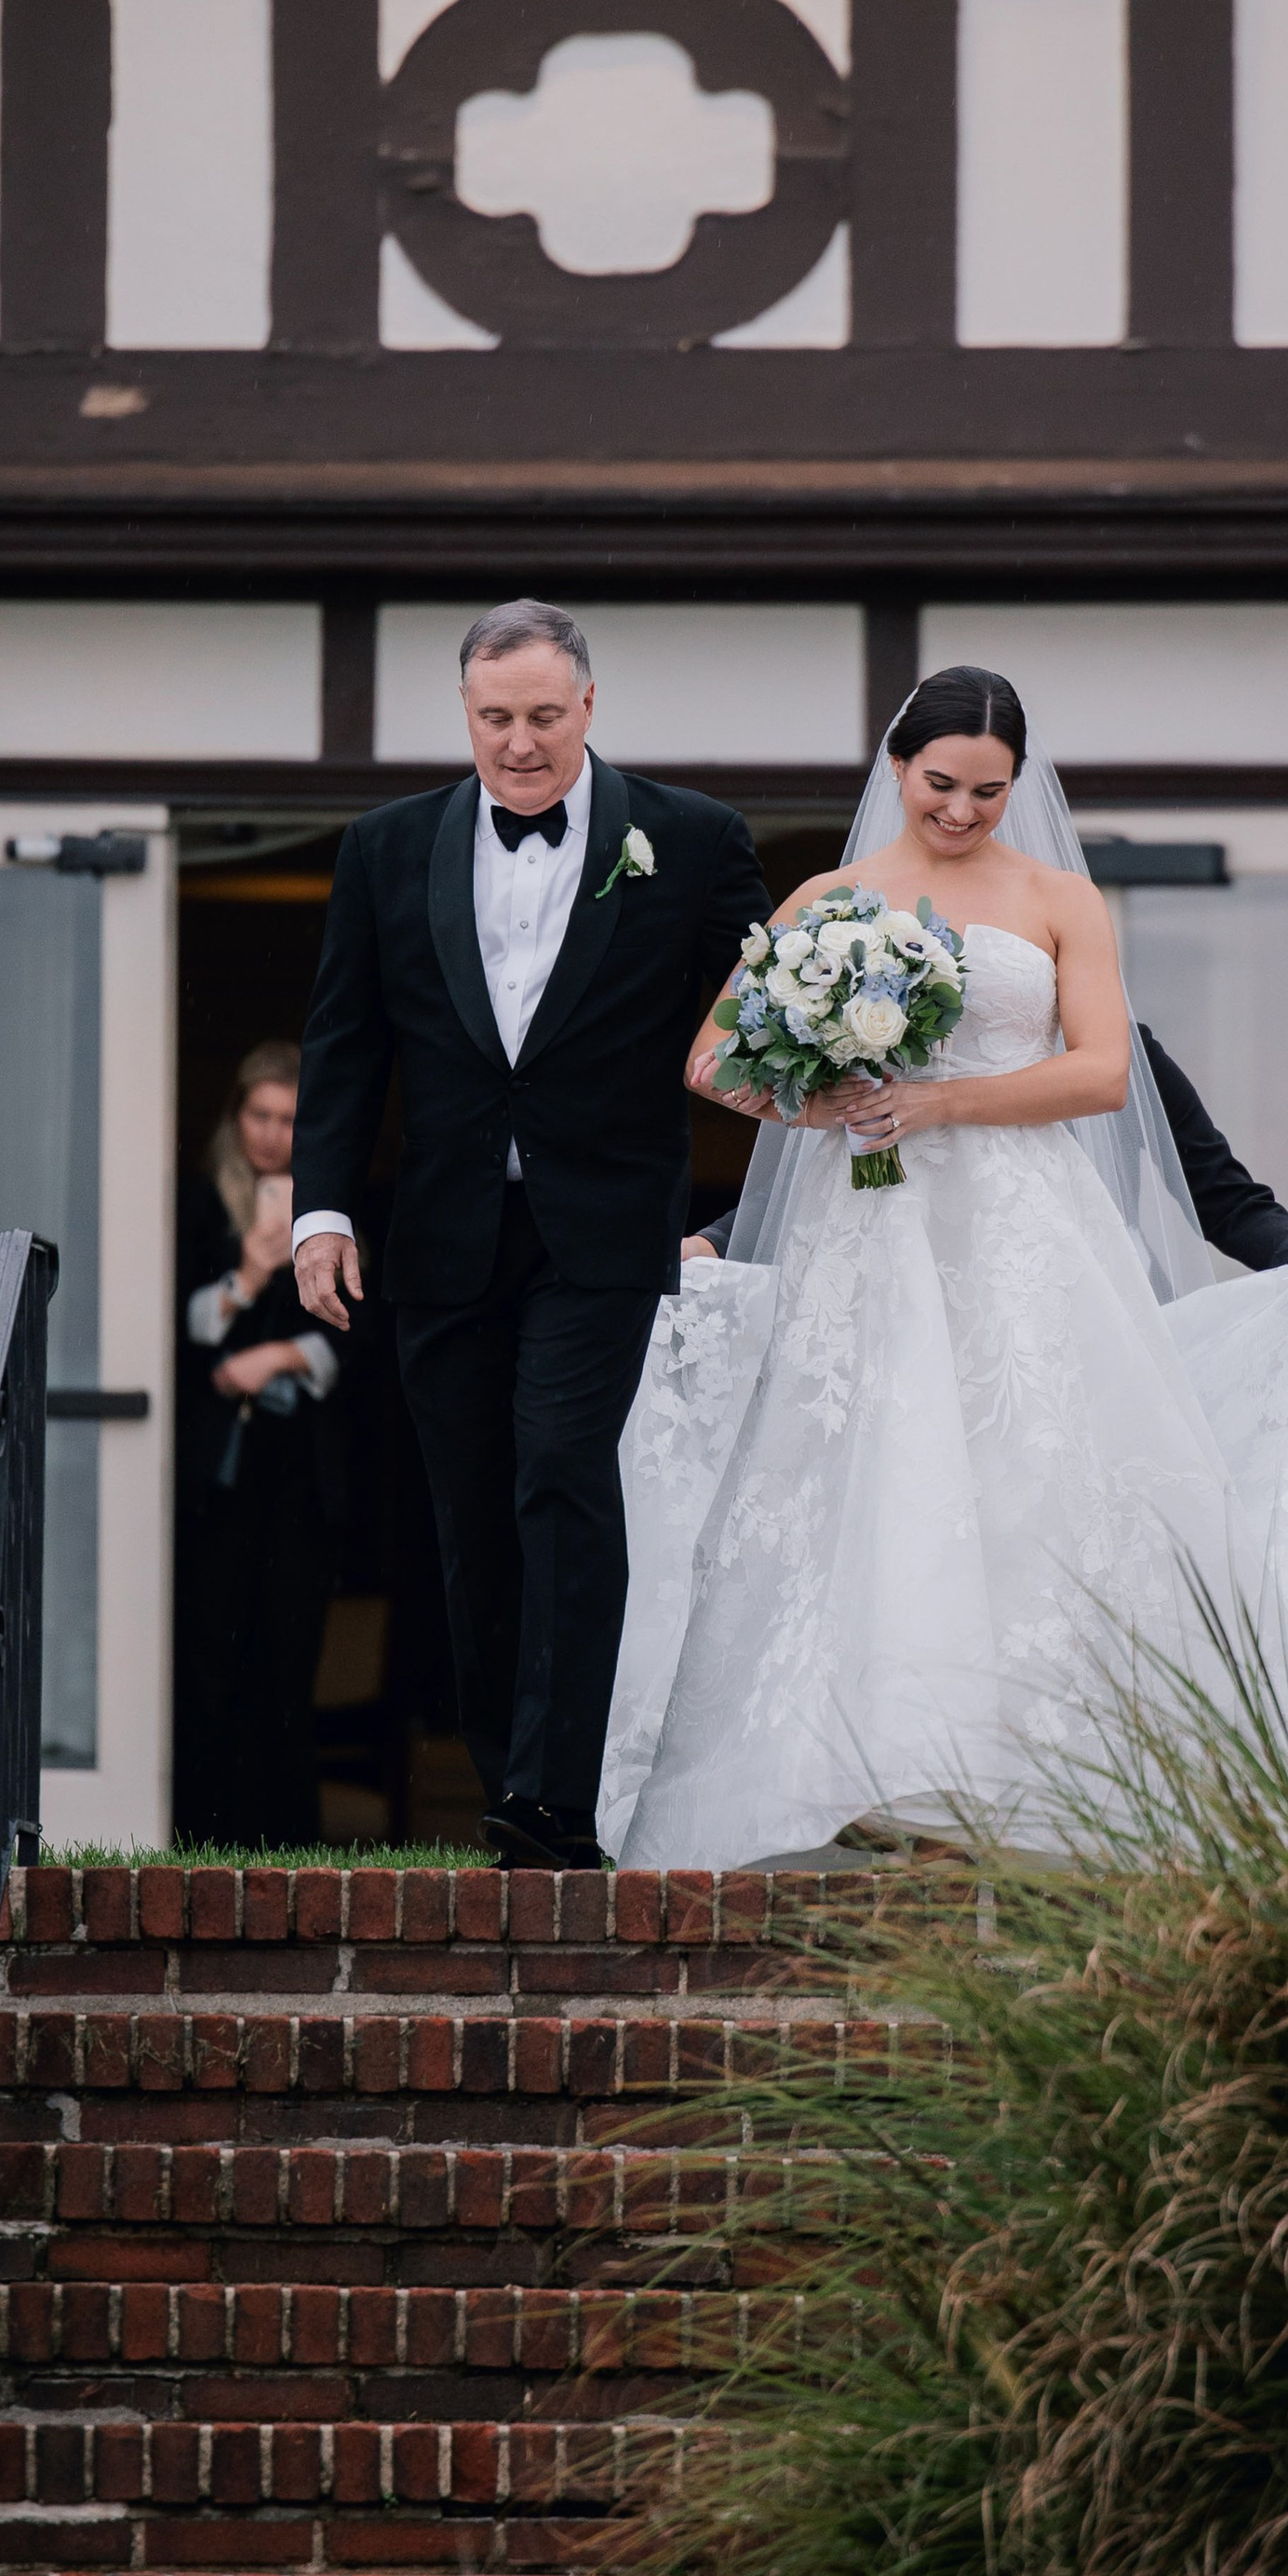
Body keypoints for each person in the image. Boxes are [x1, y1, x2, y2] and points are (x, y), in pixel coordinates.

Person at [602, 667, 1288, 1871]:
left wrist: (939, 1102)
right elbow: (715, 1059)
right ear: (899, 767)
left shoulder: (1058, 899)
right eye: (942, 784)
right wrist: (818, 1095)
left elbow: (1103, 1071)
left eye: (989, 791)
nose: (961, 810)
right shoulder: (833, 897)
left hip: (1022, 1227)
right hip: (867, 1229)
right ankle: (875, 1760)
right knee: (874, 1467)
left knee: (1034, 1474)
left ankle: (1028, 1772)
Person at [288, 599, 771, 1874]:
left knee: (561, 1470)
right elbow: (345, 1044)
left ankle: (560, 1797)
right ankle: (514, 1786)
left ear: (591, 707)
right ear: (466, 713)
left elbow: (766, 1010)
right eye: (496, 718)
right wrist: (323, 1211)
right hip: (441, 1238)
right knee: (471, 1515)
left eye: (544, 717)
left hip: (603, 1229)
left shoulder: (693, 839)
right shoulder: (387, 849)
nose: (520, 744)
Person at [683, 1022, 1288, 1271]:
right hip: (923, 1302)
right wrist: (714, 1240)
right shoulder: (907, 1055)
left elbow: (1220, 1193)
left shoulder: (1122, 1054)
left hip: (1085, 1302)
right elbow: (830, 1176)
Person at [174, 1042, 343, 1847]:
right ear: (236, 1116)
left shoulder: (333, 1213)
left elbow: (354, 1347)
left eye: (290, 1119)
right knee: (210, 1661)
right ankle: (204, 1844)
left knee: (286, 1665)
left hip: (298, 1477)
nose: (273, 1135)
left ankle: (290, 1850)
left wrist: (272, 1354)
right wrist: (248, 1270)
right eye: (260, 1115)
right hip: (216, 1477)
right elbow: (184, 1331)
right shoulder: (201, 1204)